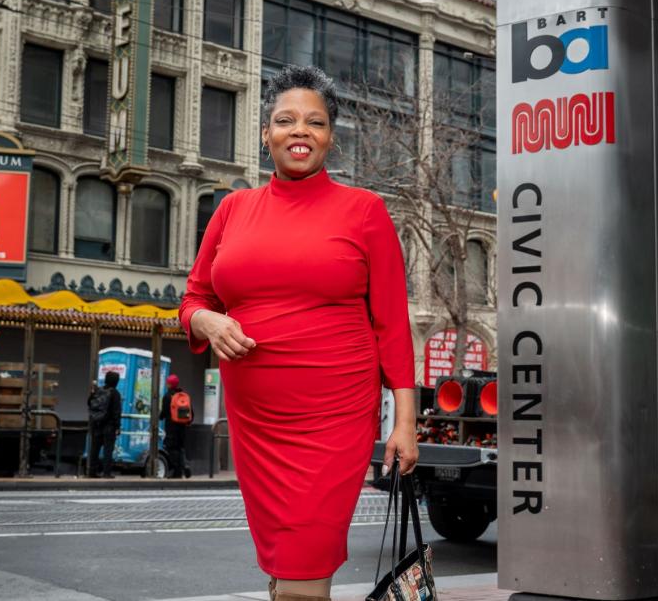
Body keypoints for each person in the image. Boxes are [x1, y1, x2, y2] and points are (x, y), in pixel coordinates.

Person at [180, 64, 419, 601]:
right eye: (285, 120)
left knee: (303, 569)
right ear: (266, 135)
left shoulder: (365, 211)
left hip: (335, 416)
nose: (299, 131)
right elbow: (194, 298)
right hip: (256, 422)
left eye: (315, 122)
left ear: (331, 137)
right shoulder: (232, 209)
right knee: (285, 565)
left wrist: (405, 422)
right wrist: (207, 320)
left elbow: (392, 325)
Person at [87, 371, 122, 478]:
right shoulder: (115, 393)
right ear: (116, 382)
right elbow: (116, 412)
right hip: (109, 426)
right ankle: (106, 472)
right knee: (108, 449)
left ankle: (92, 472)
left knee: (95, 449)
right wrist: (117, 426)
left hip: (96, 424)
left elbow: (89, 403)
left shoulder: (98, 391)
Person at [160, 373, 192, 478]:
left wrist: (159, 417)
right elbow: (191, 412)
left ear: (169, 384)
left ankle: (177, 471)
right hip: (182, 426)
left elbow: (164, 412)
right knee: (180, 447)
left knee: (171, 448)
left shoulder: (167, 396)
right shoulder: (183, 396)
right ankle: (185, 465)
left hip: (171, 426)